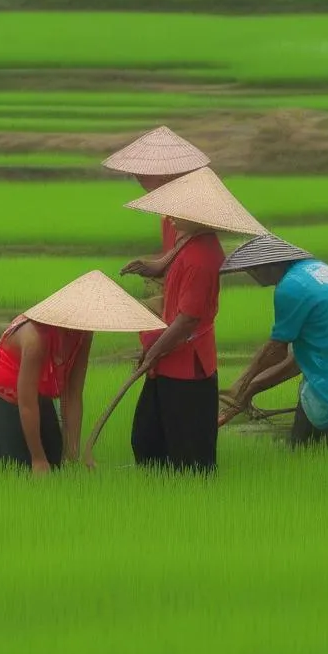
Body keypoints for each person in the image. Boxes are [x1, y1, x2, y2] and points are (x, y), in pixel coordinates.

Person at [125, 167, 267, 471]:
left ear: (199, 214)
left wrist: (153, 351)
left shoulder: (203, 258)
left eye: (178, 208)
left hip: (187, 370)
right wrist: (154, 267)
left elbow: (187, 320)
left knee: (189, 457)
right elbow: (172, 266)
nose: (170, 214)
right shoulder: (187, 242)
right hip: (168, 361)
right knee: (147, 440)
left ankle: (189, 507)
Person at [0, 270, 166, 473]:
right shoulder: (35, 339)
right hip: (4, 401)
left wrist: (74, 452)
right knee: (18, 472)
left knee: (57, 466)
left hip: (39, 400)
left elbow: (73, 393)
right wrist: (38, 459)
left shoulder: (83, 335)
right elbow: (27, 404)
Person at [219, 234, 328, 447]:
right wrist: (251, 388)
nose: (251, 275)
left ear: (270, 266)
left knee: (322, 462)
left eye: (252, 269)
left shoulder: (290, 288)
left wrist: (241, 385)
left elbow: (276, 350)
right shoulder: (316, 269)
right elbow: (303, 358)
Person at [101, 125, 211, 279]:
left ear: (163, 175)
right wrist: (158, 265)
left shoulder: (187, 218)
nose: (138, 179)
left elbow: (191, 256)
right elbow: (177, 255)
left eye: (141, 174)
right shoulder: (169, 217)